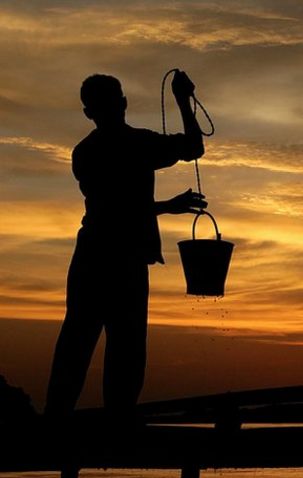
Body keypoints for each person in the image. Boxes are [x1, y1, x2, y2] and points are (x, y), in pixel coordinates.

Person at [44, 71, 208, 424]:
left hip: (93, 258)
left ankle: (56, 426)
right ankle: (115, 427)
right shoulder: (135, 145)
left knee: (79, 343)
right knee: (123, 349)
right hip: (122, 260)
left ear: (89, 112)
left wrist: (183, 100)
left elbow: (110, 207)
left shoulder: (86, 151)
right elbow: (118, 208)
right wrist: (182, 100)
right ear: (123, 104)